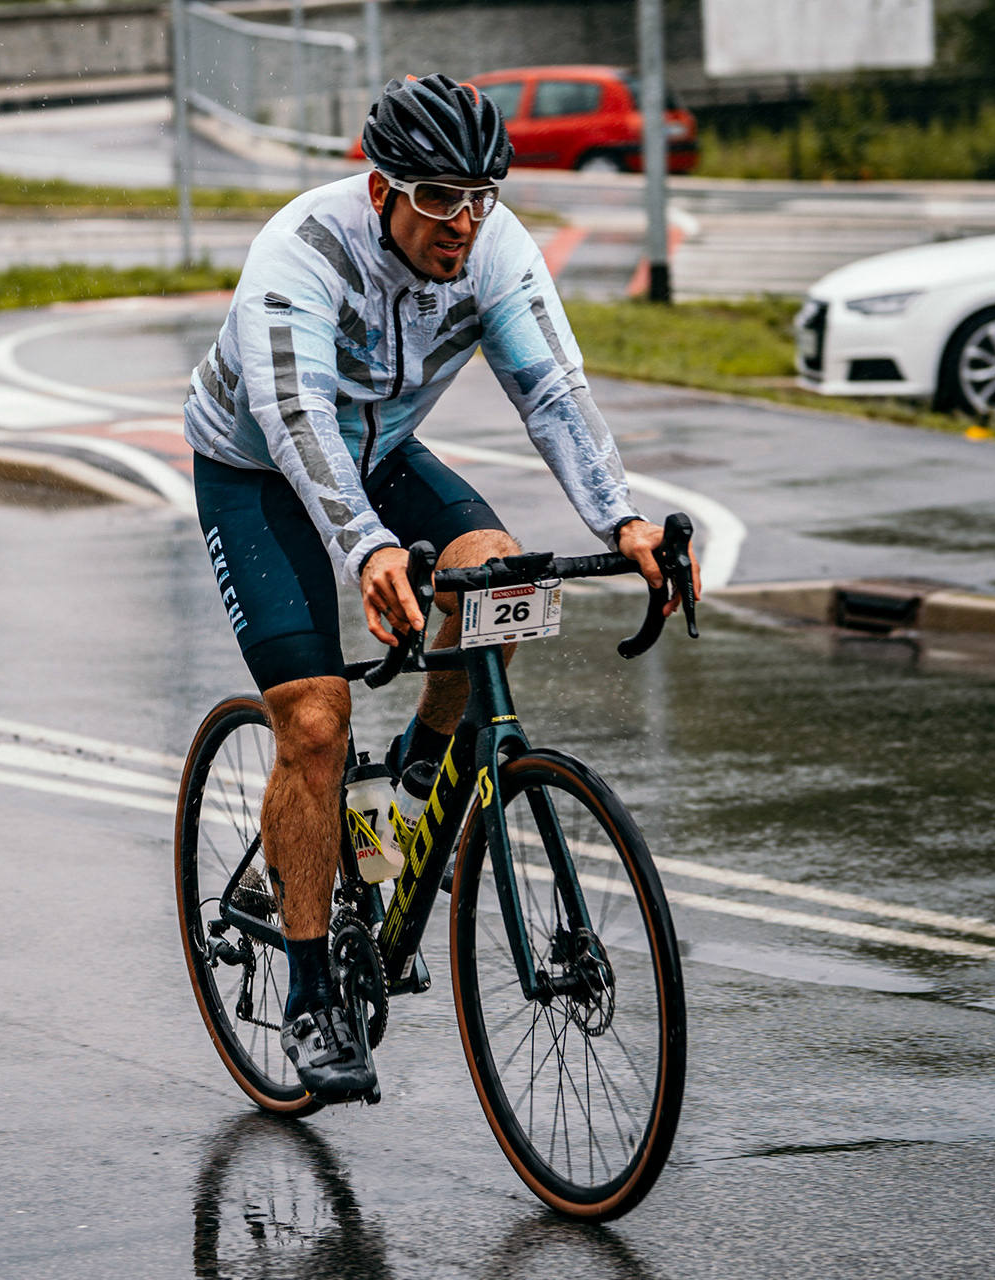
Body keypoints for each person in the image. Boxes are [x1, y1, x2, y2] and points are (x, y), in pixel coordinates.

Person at [184, 73, 701, 1102]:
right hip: (258, 469)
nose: (462, 221)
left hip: (381, 452)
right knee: (316, 722)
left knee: (493, 574)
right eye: (437, 197)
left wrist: (624, 521)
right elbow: (298, 421)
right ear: (382, 189)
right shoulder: (301, 254)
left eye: (479, 196)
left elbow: (552, 390)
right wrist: (366, 549)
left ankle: (412, 790)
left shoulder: (494, 247)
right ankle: (310, 994)